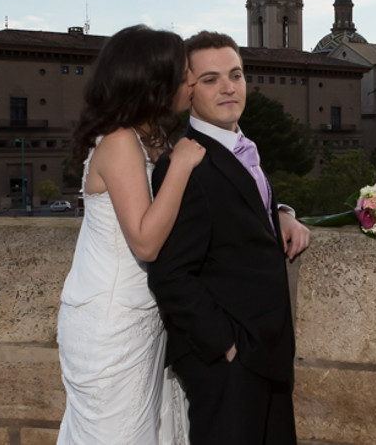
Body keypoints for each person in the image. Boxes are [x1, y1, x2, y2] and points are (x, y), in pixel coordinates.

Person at [148, 31, 308, 445]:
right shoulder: (185, 163)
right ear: (188, 89)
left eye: (235, 75)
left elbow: (236, 213)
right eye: (210, 79)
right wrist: (225, 347)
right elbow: (169, 273)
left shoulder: (239, 146)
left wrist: (282, 213)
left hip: (267, 353)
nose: (228, 87)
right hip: (229, 362)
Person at [57, 25, 206, 445]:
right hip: (111, 322)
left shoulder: (145, 140)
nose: (191, 82)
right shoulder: (121, 142)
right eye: (183, 76)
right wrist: (179, 166)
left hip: (137, 316)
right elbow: (144, 240)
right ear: (152, 85)